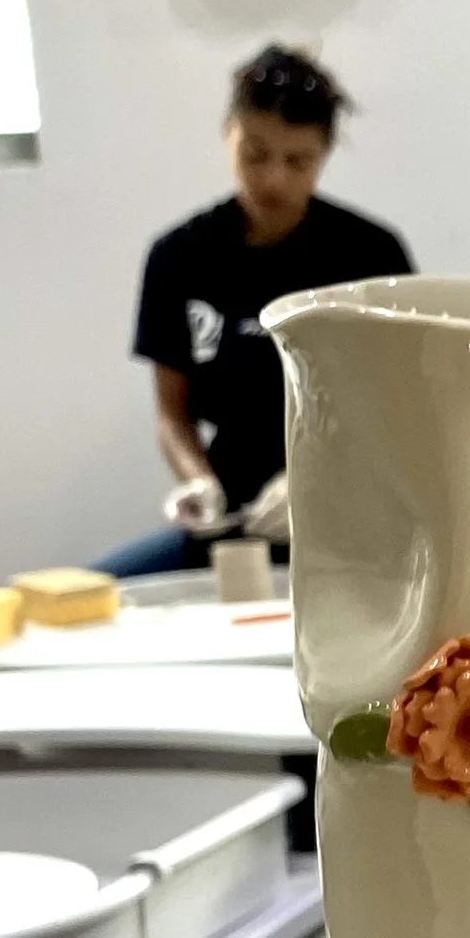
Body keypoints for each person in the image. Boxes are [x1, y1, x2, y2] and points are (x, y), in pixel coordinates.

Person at [98, 45, 413, 576]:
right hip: (232, 520)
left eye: (298, 161)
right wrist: (198, 482)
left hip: (350, 523)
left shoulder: (370, 256)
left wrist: (320, 483)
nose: (274, 179)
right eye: (255, 153)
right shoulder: (179, 256)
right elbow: (172, 415)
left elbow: (405, 406)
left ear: (326, 154)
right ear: (228, 134)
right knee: (98, 594)